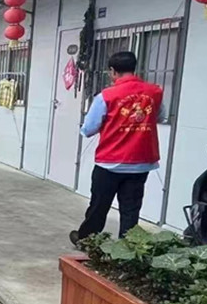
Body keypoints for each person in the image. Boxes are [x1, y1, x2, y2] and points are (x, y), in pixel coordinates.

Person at [70, 51, 164, 245]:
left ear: (113, 71)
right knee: (131, 209)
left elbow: (89, 129)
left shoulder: (106, 95)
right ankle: (128, 249)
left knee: (99, 206)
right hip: (140, 163)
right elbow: (159, 117)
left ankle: (87, 241)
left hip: (110, 162)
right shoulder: (154, 92)